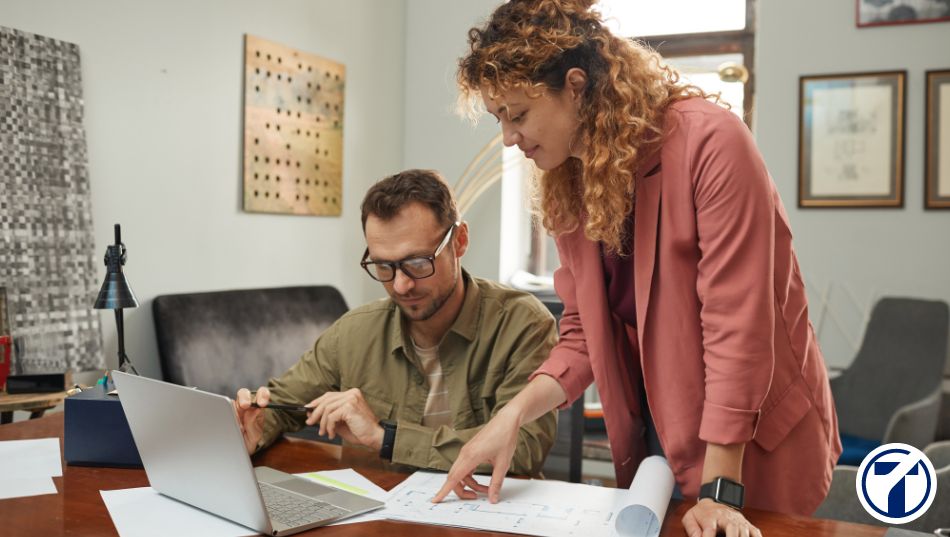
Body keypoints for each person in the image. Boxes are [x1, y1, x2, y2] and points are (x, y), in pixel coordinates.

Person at [433, 1, 842, 535]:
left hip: (748, 443)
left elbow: (738, 329)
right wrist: (511, 415)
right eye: (499, 119)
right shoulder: (565, 182)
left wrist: (720, 492)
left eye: (518, 115)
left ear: (576, 86)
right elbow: (582, 335)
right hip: (662, 433)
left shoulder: (711, 143)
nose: (509, 138)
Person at [234, 169, 558, 476]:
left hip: (486, 516)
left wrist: (384, 438)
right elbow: (283, 403)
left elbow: (523, 449)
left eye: (417, 263)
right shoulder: (354, 333)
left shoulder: (522, 324)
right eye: (383, 266)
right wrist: (256, 427)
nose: (401, 285)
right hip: (380, 515)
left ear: (459, 241)